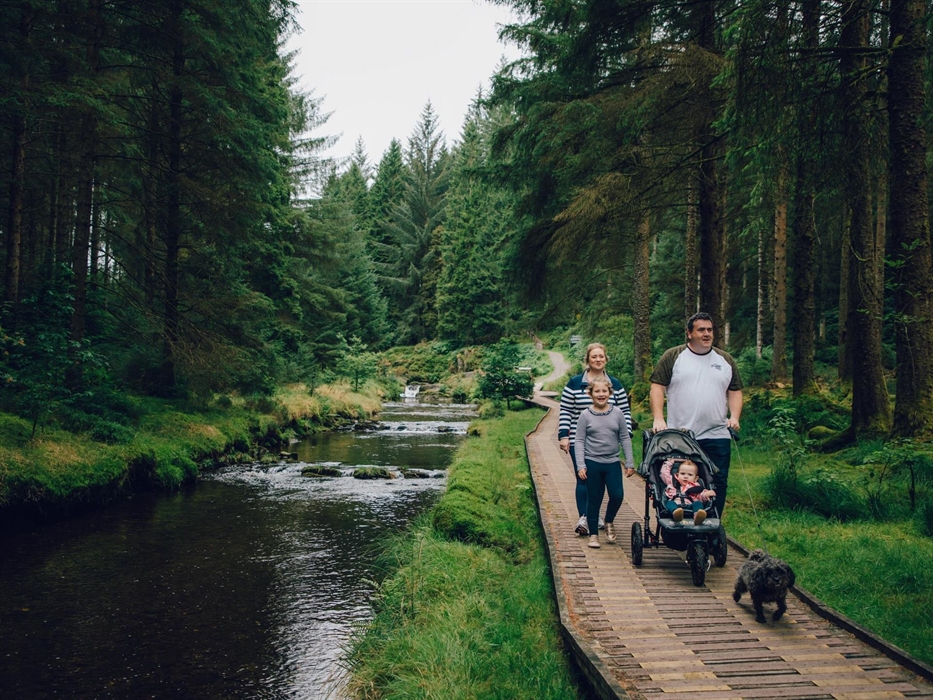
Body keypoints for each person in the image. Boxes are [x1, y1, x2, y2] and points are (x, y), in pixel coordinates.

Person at [649, 312, 743, 517]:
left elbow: (735, 390)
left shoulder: (725, 360)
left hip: (717, 434)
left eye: (710, 330)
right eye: (701, 330)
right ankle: (680, 521)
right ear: (689, 333)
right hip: (682, 435)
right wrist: (658, 418)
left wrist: (734, 417)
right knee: (677, 481)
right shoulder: (673, 356)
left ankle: (711, 526)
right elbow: (657, 387)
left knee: (718, 482)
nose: (707, 334)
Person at [558, 342, 633, 536]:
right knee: (583, 477)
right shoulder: (575, 383)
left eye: (601, 356)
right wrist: (564, 436)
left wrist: (626, 434)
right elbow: (565, 410)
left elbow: (624, 411)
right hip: (578, 439)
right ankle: (585, 517)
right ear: (588, 360)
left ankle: (598, 516)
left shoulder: (614, 385)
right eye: (594, 357)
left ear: (606, 359)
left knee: (606, 484)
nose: (598, 359)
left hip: (607, 440)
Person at [573, 378, 636, 549]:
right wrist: (581, 465)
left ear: (609, 393)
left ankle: (609, 521)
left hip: (612, 463)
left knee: (617, 495)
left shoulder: (618, 413)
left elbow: (624, 437)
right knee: (594, 499)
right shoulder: (585, 415)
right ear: (591, 394)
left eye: (604, 391)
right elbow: (579, 440)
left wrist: (629, 462)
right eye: (597, 392)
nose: (601, 395)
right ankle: (593, 535)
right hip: (592, 462)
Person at [659, 458, 716, 526]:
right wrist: (669, 463)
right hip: (675, 504)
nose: (685, 476)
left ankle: (697, 516)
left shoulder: (696, 487)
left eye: (690, 475)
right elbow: (664, 474)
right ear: (677, 475)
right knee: (669, 503)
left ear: (696, 478)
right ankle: (676, 514)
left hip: (690, 506)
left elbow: (700, 496)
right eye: (682, 474)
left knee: (698, 503)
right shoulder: (672, 482)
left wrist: (706, 494)